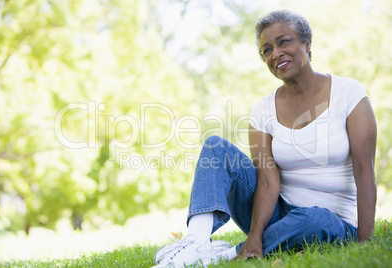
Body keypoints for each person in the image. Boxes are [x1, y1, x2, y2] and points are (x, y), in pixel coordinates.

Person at [152, 9, 377, 268]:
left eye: (283, 42)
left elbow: (364, 172)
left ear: (307, 42)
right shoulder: (262, 110)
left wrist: (365, 240)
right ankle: (194, 244)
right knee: (216, 147)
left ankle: (221, 255)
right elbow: (268, 182)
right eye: (266, 50)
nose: (275, 54)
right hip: (276, 213)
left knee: (315, 220)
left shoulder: (349, 94)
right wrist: (256, 233)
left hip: (331, 221)